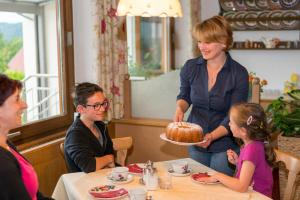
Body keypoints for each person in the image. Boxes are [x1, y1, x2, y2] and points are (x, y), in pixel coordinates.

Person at [174, 15, 249, 175]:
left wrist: (211, 136)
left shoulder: (239, 73)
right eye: (199, 41)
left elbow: (234, 115)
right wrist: (180, 108)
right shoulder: (191, 67)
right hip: (196, 139)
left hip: (225, 144)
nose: (202, 46)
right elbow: (185, 95)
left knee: (219, 190)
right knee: (197, 186)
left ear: (223, 42)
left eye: (207, 42)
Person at [198, 103, 275, 198]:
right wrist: (238, 162)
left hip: (257, 196)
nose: (229, 124)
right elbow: (253, 170)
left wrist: (218, 176)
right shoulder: (254, 144)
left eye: (231, 122)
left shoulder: (252, 149)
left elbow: (241, 186)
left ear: (243, 131)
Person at [0, 74, 53, 200]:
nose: (25, 105)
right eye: (17, 99)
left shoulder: (6, 144)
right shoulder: (2, 164)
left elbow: (35, 195)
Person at [64, 82, 115, 173]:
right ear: (81, 109)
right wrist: (109, 159)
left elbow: (110, 151)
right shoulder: (75, 134)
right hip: (83, 184)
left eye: (103, 103)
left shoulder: (101, 125)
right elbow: (89, 166)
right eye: (96, 105)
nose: (103, 109)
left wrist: (106, 160)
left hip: (102, 178)